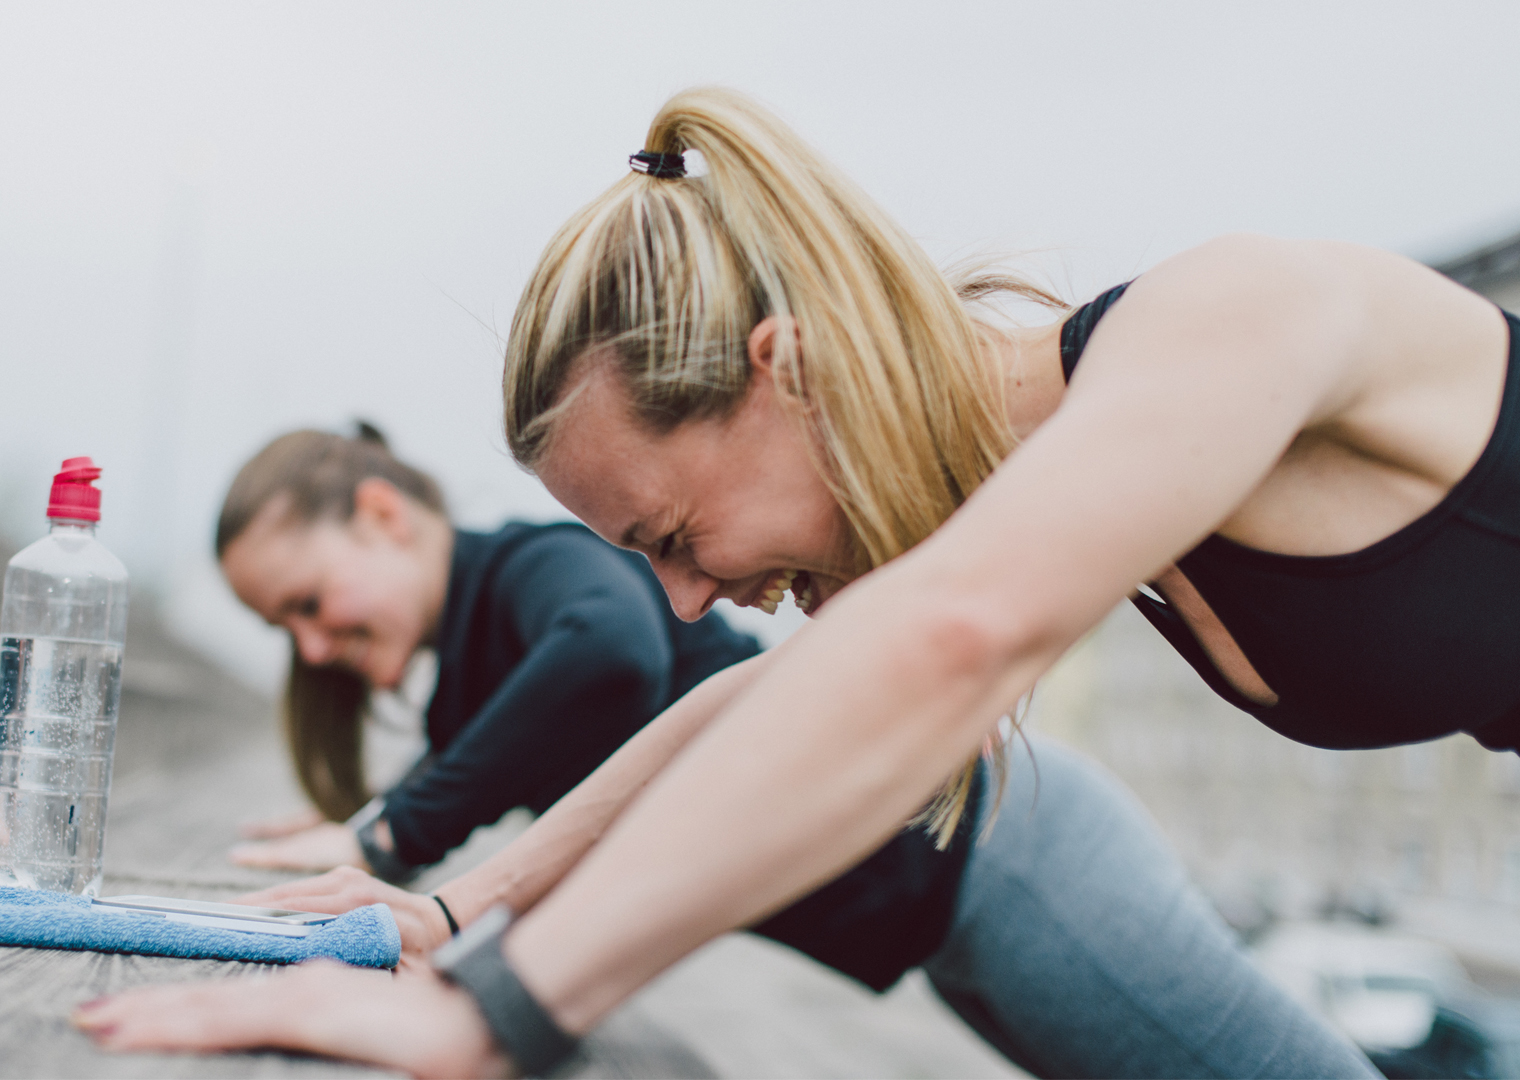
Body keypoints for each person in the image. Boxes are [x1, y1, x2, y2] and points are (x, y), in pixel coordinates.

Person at [74, 86, 1517, 1076]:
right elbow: (760, 707)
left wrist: (495, 1017)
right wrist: (454, 912)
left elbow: (952, 639)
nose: (685, 603)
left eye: (670, 538)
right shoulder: (1039, 483)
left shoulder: (1232, 317)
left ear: (783, 371)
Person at [209, 425, 1025, 1001]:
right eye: (288, 631)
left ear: (385, 517)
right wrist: (364, 820)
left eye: (308, 603)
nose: (311, 649)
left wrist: (387, 834)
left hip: (995, 853)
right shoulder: (473, 675)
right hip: (934, 922)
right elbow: (476, 757)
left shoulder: (534, 563)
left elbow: (609, 654)